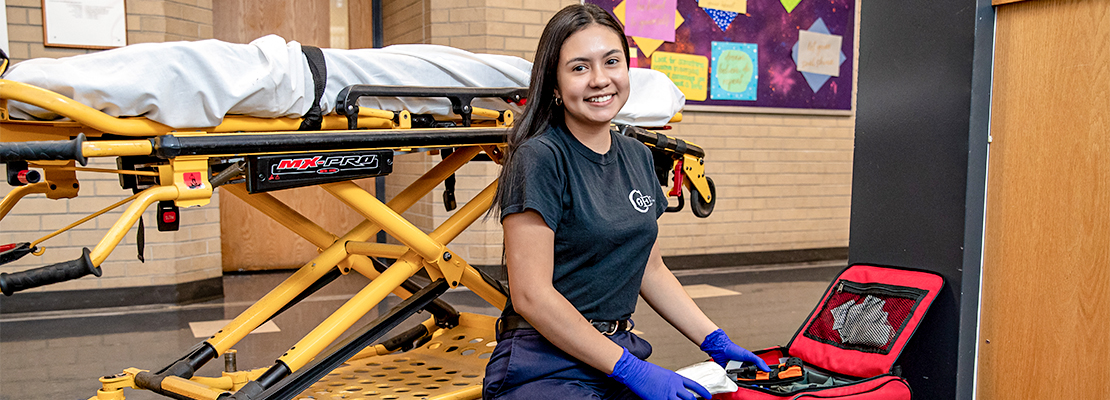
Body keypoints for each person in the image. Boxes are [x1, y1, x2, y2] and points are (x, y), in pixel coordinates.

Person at [482, 4, 770, 400]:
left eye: (611, 61)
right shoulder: (541, 156)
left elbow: (650, 268)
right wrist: (631, 370)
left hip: (617, 353)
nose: (600, 80)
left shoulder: (637, 156)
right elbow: (532, 295)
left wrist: (714, 339)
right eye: (580, 68)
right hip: (544, 363)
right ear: (554, 84)